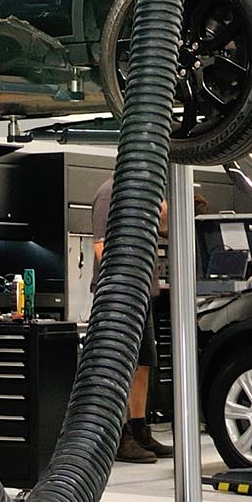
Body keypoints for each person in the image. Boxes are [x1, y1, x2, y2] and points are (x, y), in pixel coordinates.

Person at [93, 173, 171, 463]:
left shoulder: (145, 195)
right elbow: (101, 247)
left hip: (143, 292)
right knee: (120, 366)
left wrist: (163, 210)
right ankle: (120, 435)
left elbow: (165, 231)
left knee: (143, 363)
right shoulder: (108, 193)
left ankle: (140, 429)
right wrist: (124, 285)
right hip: (120, 294)